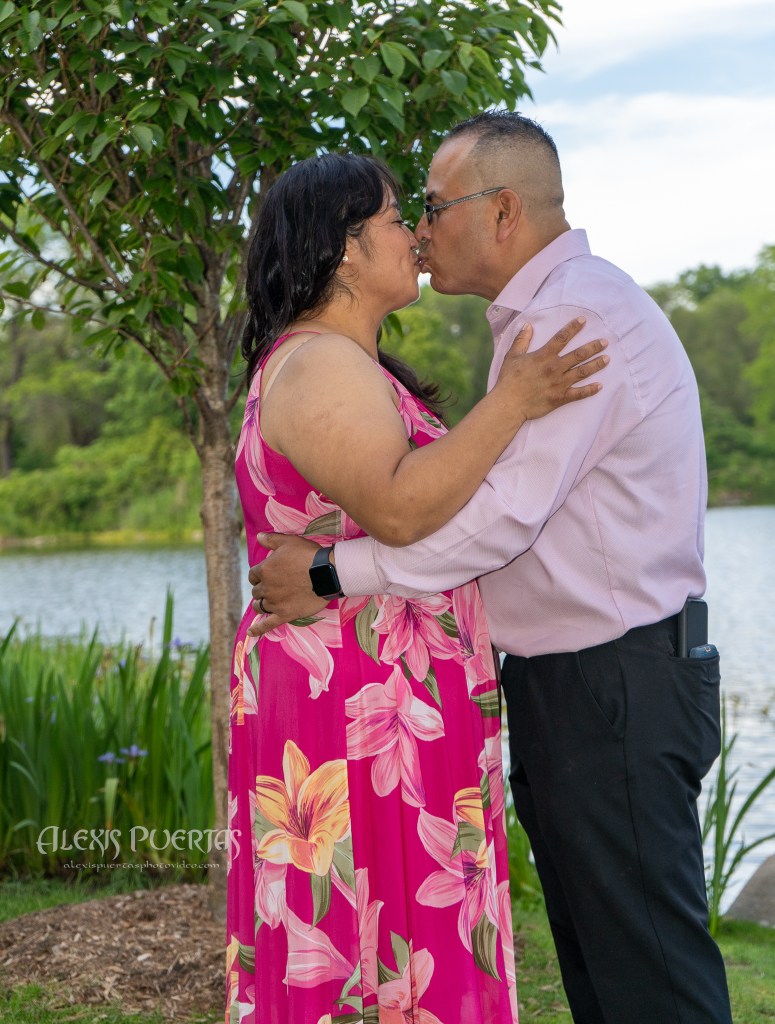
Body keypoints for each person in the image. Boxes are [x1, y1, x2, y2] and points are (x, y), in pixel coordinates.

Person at [247, 114, 734, 1024]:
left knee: (647, 975)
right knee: (608, 967)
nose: (422, 232)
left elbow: (495, 520)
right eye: (406, 215)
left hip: (610, 681)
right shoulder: (534, 325)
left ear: (502, 211)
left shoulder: (573, 321)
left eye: (432, 208)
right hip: (575, 683)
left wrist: (331, 573)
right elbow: (466, 506)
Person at [226, 150, 609, 1024]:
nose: (416, 235)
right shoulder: (319, 364)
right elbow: (400, 509)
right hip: (350, 702)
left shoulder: (347, 363)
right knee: (369, 932)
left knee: (404, 928)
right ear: (344, 248)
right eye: (398, 219)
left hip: (386, 696)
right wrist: (512, 401)